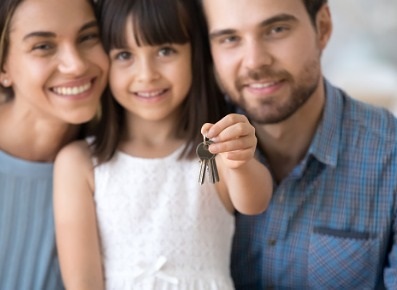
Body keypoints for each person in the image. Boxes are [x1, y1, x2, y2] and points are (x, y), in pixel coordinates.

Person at [53, 0, 273, 289]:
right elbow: (83, 282)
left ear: (196, 54)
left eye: (165, 51)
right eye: (124, 55)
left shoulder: (212, 149)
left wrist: (241, 160)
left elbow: (254, 202)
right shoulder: (80, 162)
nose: (147, 74)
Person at [196, 0, 397, 289]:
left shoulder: (391, 155)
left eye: (277, 29)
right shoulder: (186, 145)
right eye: (230, 39)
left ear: (323, 27)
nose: (255, 61)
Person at [0, 0, 109, 289]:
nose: (76, 65)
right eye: (43, 46)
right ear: (3, 67)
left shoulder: (112, 159)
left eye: (87, 37)